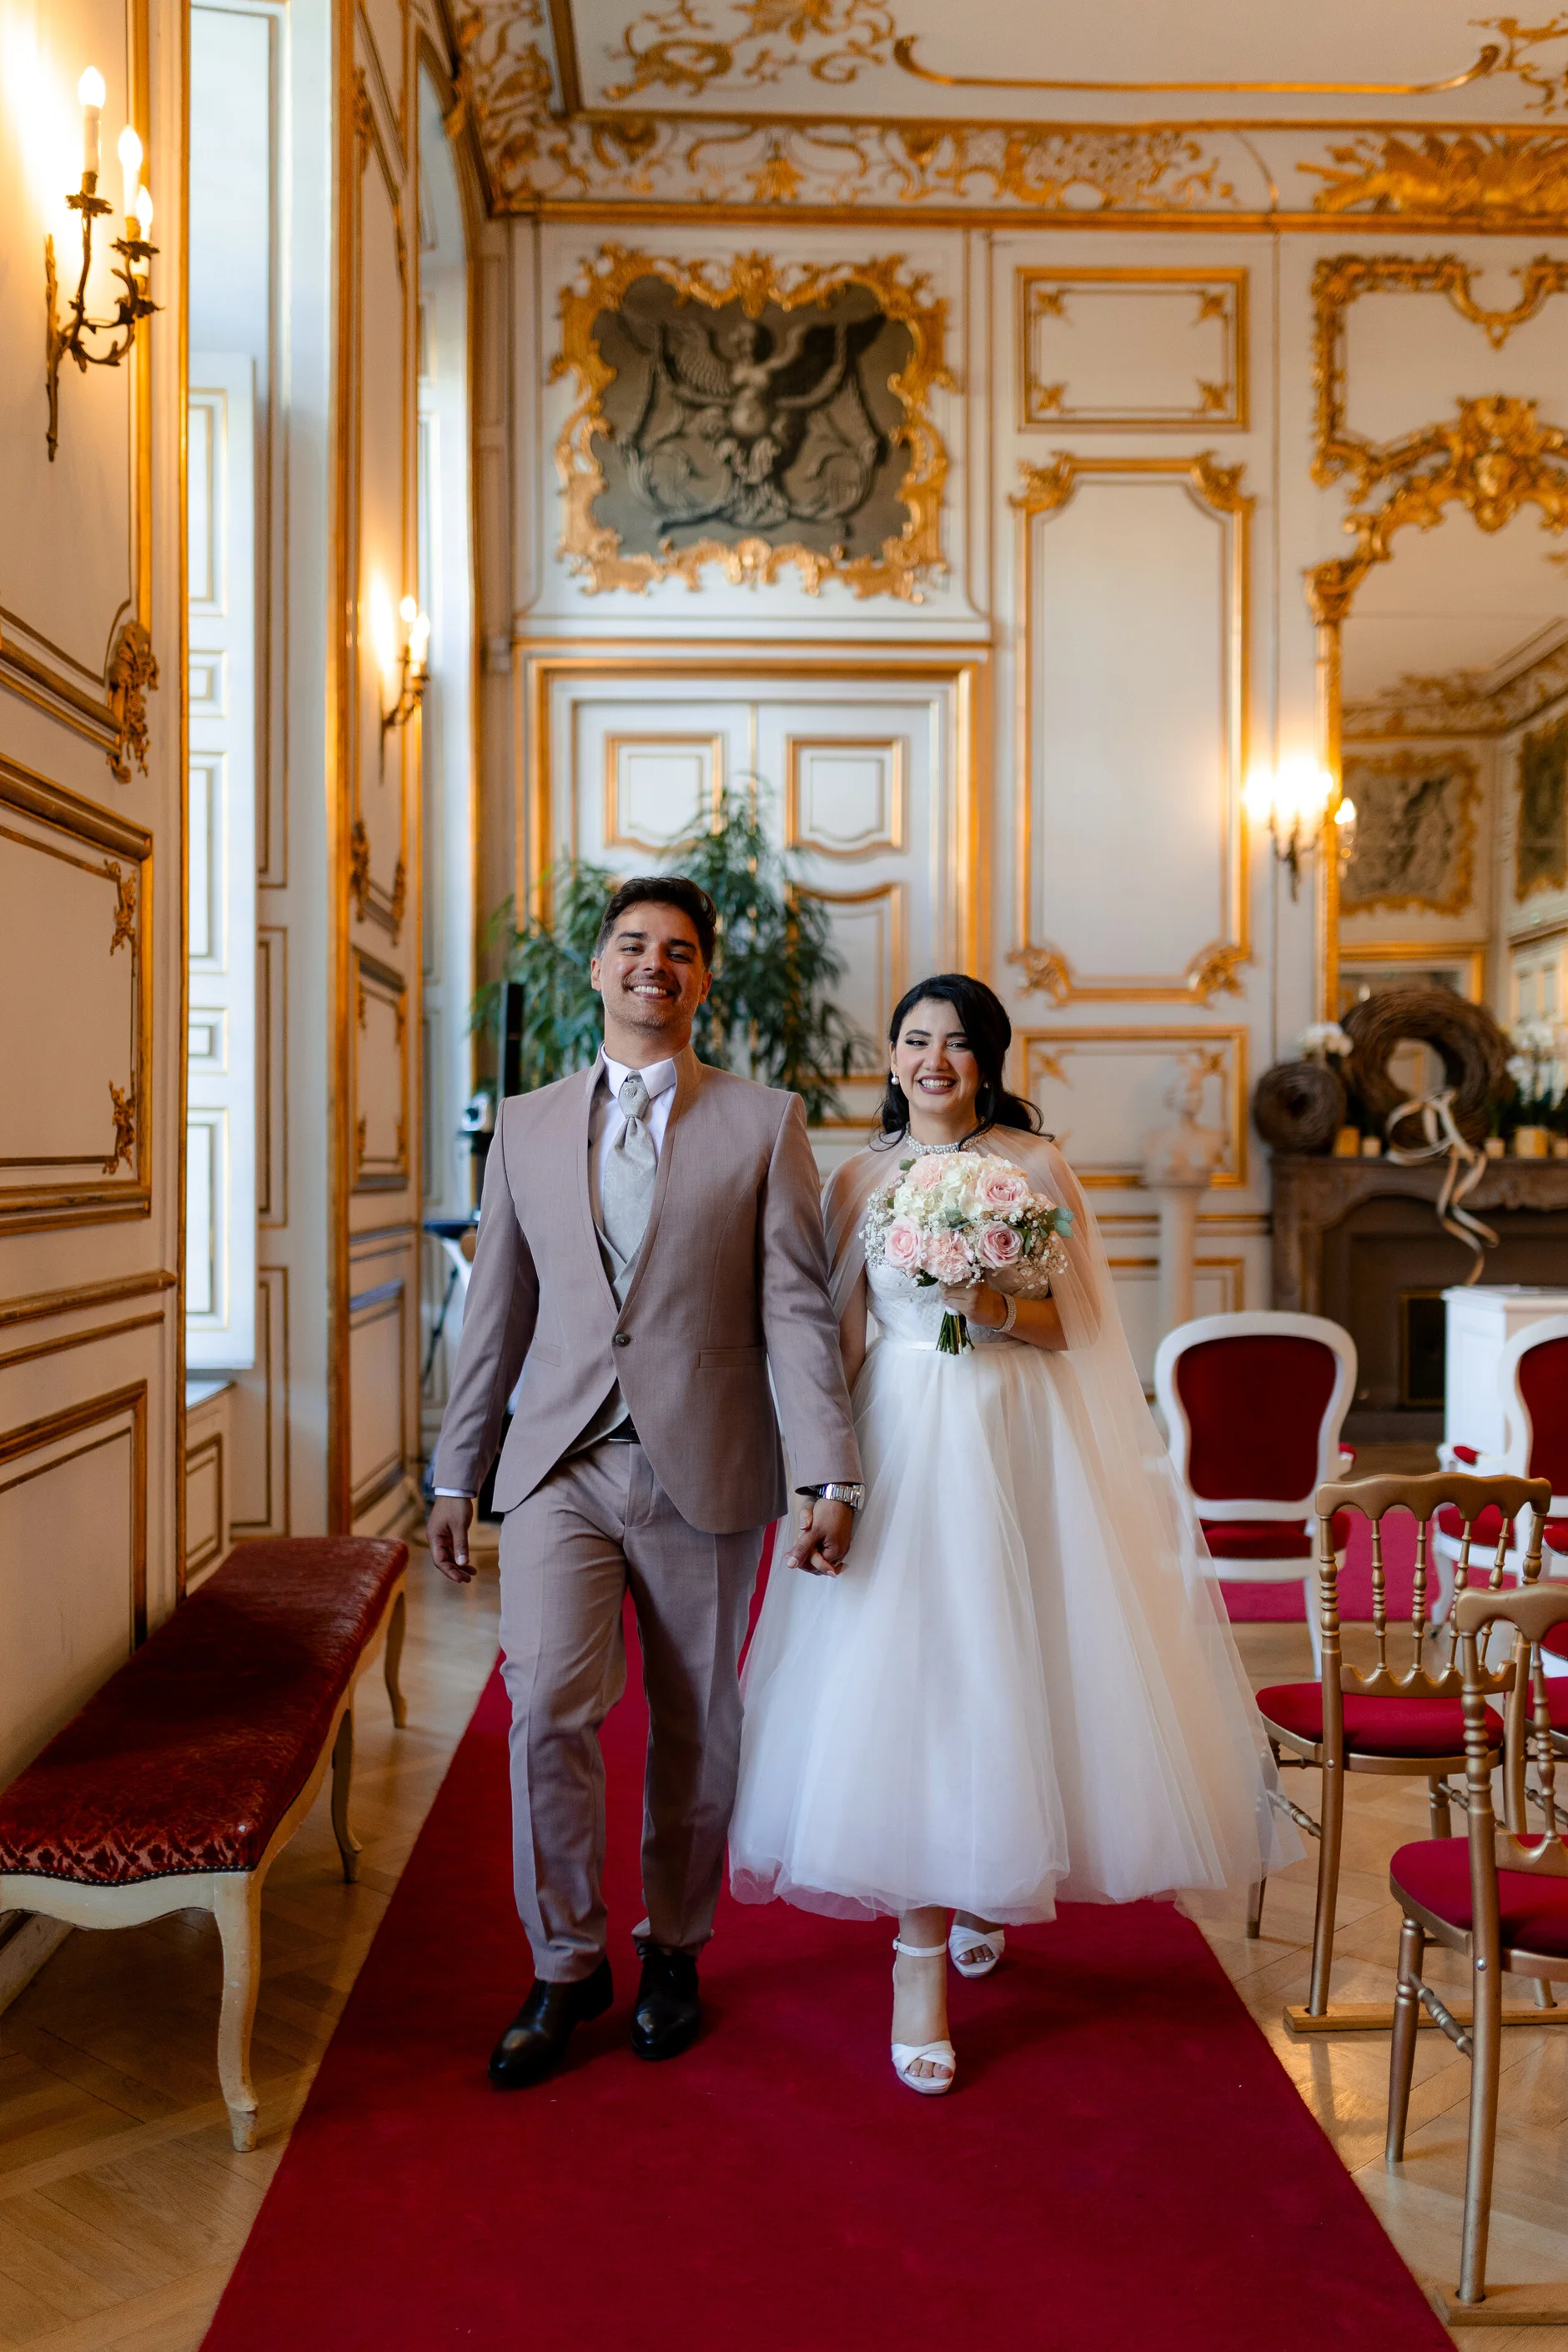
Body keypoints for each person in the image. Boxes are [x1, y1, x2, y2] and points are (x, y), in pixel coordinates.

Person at [729, 974, 1290, 2096]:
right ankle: (917, 1965)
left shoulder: (1031, 1170)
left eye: (959, 1043)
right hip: (901, 1445)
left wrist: (979, 1296)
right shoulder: (855, 1179)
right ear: (889, 1060)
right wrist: (816, 1483)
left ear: (986, 1061)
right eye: (915, 1041)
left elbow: (1067, 1328)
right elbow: (837, 1340)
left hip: (1015, 1438)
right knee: (926, 1678)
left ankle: (991, 1876)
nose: (935, 1059)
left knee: (1017, 1665)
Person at [427, 876, 862, 2088]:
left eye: (678, 950)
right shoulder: (525, 1124)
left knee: (697, 1724)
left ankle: (675, 1946)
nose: (653, 965)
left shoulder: (763, 1123)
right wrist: (456, 1473)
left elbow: (792, 1313)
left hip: (708, 1464)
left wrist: (830, 1469)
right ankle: (564, 1960)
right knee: (546, 1710)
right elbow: (495, 1319)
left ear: (703, 979)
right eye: (632, 945)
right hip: (560, 1464)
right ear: (597, 967)